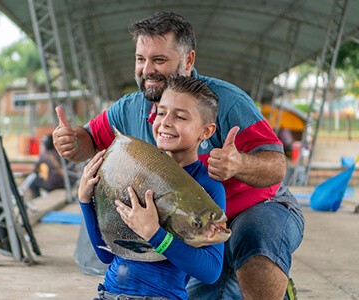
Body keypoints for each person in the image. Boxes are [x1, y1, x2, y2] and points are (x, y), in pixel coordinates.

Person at [53, 11, 304, 299]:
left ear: (188, 60)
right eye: (140, 59)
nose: (147, 69)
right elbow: (89, 140)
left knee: (253, 236)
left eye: (159, 60)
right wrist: (70, 141)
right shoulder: (131, 107)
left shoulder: (227, 101)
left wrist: (240, 163)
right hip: (188, 220)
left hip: (256, 206)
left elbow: (276, 166)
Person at [78, 75, 227, 299]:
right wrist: (84, 201)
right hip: (108, 293)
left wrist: (155, 234)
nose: (166, 122)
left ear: (206, 131)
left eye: (180, 116)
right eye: (161, 113)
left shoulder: (207, 187)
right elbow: (107, 255)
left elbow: (211, 271)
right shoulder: (136, 170)